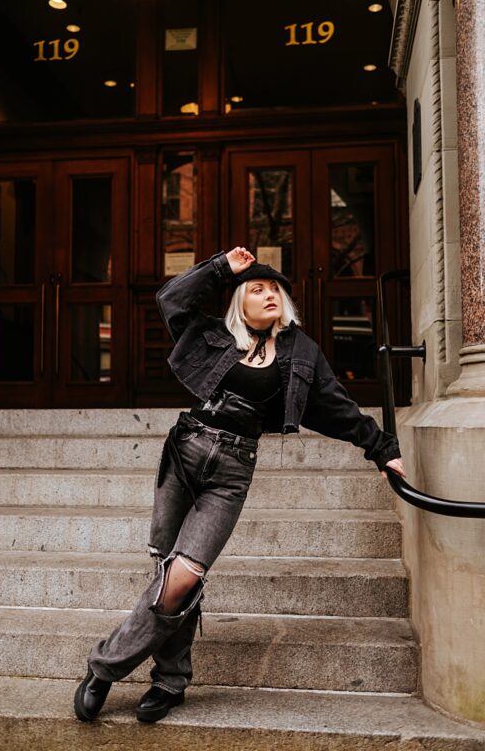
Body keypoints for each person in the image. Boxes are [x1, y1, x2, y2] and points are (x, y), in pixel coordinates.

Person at [73, 246, 405, 724]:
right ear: (239, 303)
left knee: (183, 578)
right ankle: (170, 681)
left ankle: (103, 668)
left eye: (275, 289)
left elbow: (336, 406)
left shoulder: (300, 351)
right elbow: (171, 300)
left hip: (231, 471)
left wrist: (380, 446)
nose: (269, 294)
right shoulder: (210, 332)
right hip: (185, 453)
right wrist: (222, 268)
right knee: (168, 577)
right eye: (257, 288)